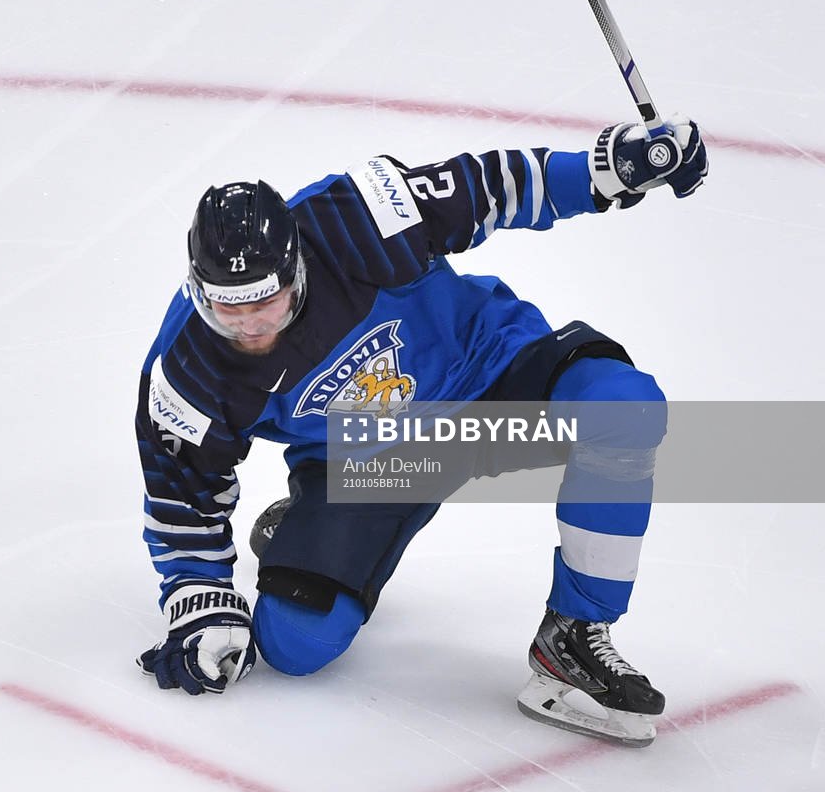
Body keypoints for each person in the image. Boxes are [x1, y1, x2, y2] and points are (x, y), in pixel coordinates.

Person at [136, 116, 707, 745]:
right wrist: (200, 596)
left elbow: (489, 186)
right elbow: (183, 489)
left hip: (489, 382)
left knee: (623, 407)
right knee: (296, 644)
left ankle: (571, 633)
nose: (248, 326)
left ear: (297, 269)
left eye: (264, 303)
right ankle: (306, 529)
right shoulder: (186, 365)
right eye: (227, 308)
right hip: (371, 461)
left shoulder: (354, 220)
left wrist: (605, 171)